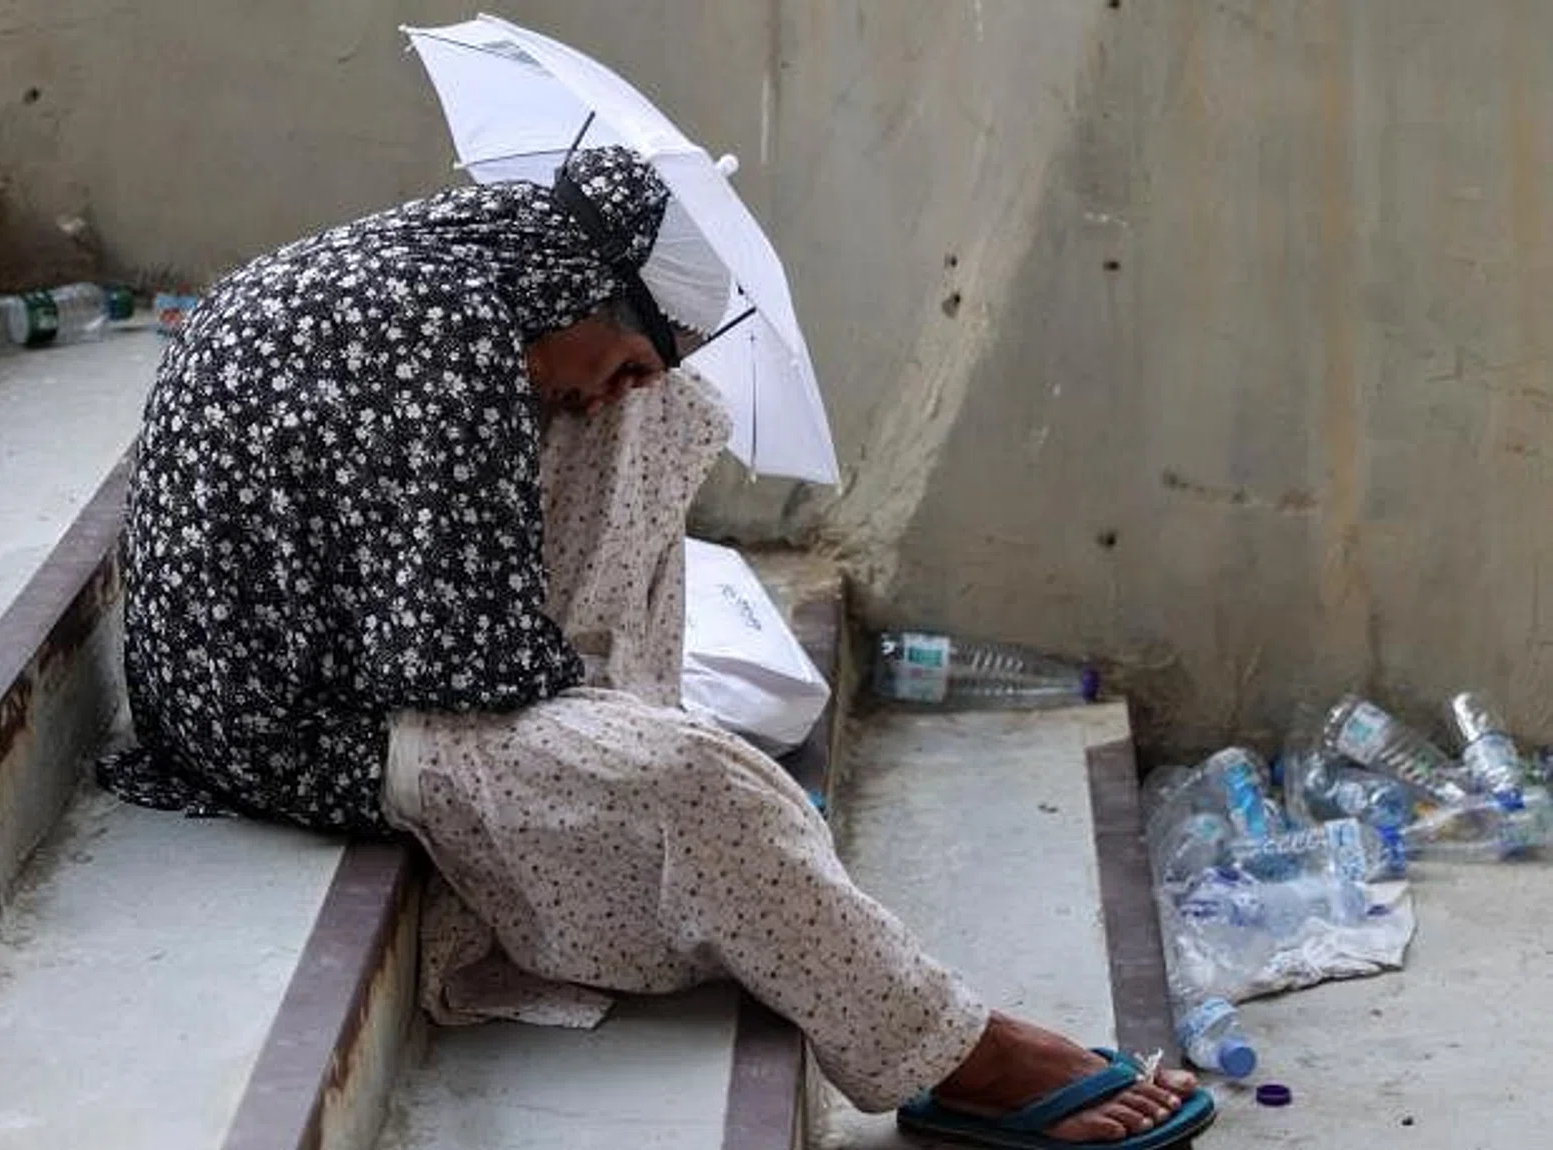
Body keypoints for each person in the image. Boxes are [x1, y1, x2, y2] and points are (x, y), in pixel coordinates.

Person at [98, 145, 1210, 1146]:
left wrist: (604, 435)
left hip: (330, 651)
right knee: (697, 785)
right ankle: (960, 1054)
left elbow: (448, 606)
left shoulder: (459, 273)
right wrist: (606, 738)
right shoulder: (445, 353)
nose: (619, 385)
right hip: (288, 729)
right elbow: (452, 674)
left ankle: (643, 769)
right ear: (584, 288)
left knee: (660, 416)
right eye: (628, 351)